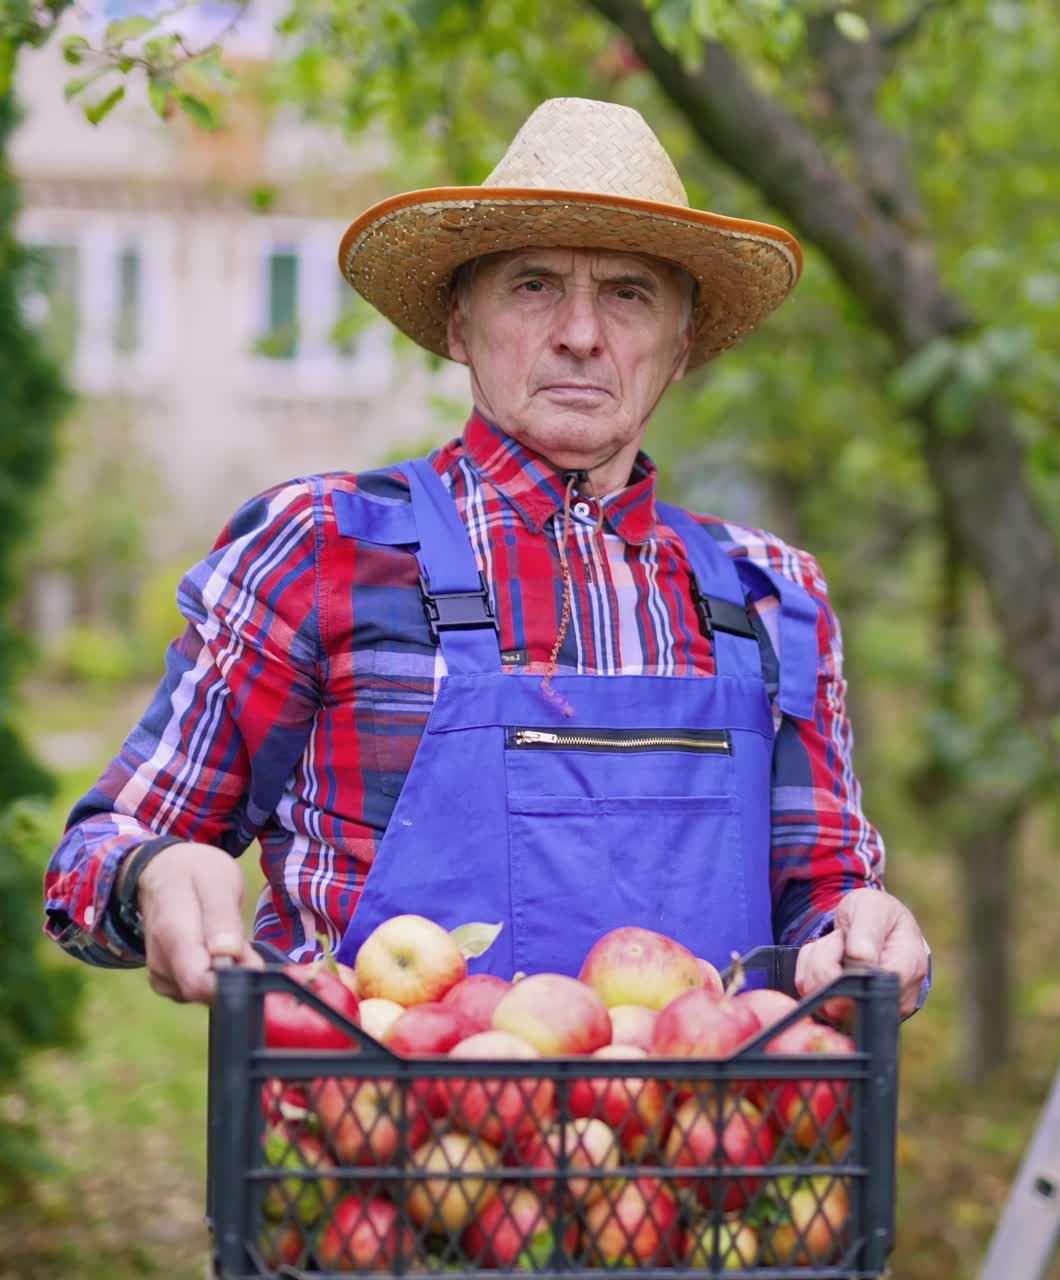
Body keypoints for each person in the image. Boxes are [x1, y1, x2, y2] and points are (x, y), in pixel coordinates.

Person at [43, 97, 930, 1018]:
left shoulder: (771, 596)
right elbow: (97, 855)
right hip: (382, 1141)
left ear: (681, 346)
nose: (581, 334)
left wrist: (858, 933)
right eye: (534, 284)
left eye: (629, 293)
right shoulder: (322, 548)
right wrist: (153, 871)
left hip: (697, 1149)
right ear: (460, 327)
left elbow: (824, 896)